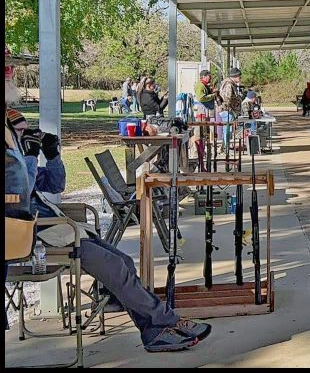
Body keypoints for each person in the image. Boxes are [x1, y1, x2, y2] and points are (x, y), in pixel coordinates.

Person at [3, 58, 211, 351]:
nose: (11, 72)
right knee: (116, 266)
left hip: (57, 228)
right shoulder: (13, 149)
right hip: (35, 235)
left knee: (123, 262)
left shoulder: (16, 145)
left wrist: (51, 155)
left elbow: (55, 185)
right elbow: (19, 193)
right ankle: (164, 321)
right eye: (22, 132)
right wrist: (27, 155)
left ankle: (154, 329)